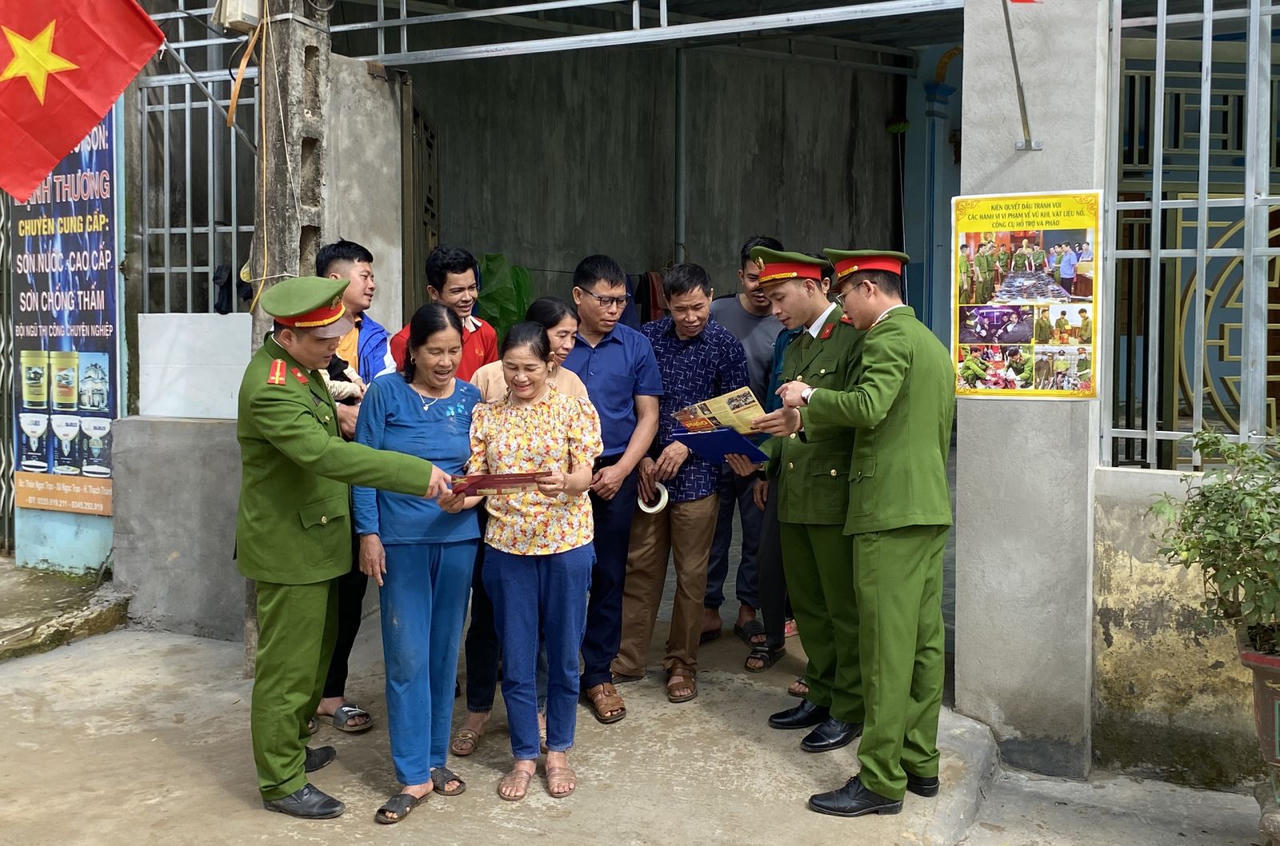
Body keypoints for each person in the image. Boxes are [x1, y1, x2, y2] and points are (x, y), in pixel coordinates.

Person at [236, 276, 450, 820]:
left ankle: (292, 750)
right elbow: (325, 456)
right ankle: (280, 780)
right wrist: (412, 472)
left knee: (314, 663)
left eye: (338, 335)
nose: (335, 348)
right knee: (287, 670)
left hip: (319, 537)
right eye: (324, 341)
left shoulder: (301, 370)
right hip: (290, 549)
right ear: (287, 336)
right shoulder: (272, 387)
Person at [773, 249, 954, 819]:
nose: (843, 304)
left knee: (885, 652)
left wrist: (810, 398)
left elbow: (870, 406)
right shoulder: (929, 342)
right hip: (926, 508)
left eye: (847, 292)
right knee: (924, 645)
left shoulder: (884, 337)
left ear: (870, 289)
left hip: (887, 512)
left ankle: (880, 778)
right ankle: (920, 761)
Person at [442, 322, 603, 801]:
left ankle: (559, 751)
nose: (520, 377)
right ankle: (524, 755)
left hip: (566, 542)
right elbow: (478, 479)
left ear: (550, 364)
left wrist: (568, 483)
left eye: (530, 367)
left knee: (562, 653)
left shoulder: (573, 407)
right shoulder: (486, 416)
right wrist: (459, 499)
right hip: (507, 548)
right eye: (511, 368)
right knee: (515, 657)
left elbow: (586, 473)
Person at [351, 304, 482, 824]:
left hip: (458, 539)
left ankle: (435, 761)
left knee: (444, 654)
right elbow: (363, 468)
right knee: (407, 657)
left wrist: (468, 499)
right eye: (435, 351)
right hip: (400, 541)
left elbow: (481, 467)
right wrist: (369, 533)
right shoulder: (386, 392)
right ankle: (411, 775)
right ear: (413, 351)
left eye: (454, 351)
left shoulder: (472, 398)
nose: (446, 361)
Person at [735, 247, 865, 756]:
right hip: (795, 487)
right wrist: (761, 458)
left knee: (840, 608)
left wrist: (802, 419)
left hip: (833, 494)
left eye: (781, 297)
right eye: (766, 299)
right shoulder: (794, 345)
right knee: (809, 607)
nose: (774, 310)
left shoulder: (853, 338)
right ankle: (822, 690)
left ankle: (849, 706)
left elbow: (859, 414)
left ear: (813, 287)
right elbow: (785, 420)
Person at [611, 263, 748, 704]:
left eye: (699, 306)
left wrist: (688, 446)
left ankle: (681, 664)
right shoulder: (646, 340)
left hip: (700, 479)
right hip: (647, 478)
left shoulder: (726, 346)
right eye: (681, 309)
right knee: (641, 569)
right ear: (665, 304)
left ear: (710, 296)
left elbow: (736, 413)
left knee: (692, 576)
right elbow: (632, 406)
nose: (691, 317)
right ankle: (627, 659)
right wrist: (644, 457)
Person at [563, 254, 663, 724]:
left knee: (608, 575)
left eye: (621, 300)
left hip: (613, 475)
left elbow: (648, 416)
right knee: (559, 576)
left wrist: (622, 469)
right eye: (605, 300)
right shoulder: (554, 343)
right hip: (557, 479)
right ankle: (553, 674)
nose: (615, 308)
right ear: (578, 296)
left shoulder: (636, 346)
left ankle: (598, 674)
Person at [311, 238, 397, 737]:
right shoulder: (296, 333)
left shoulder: (375, 338)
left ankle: (330, 695)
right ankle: (302, 699)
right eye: (362, 274)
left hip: (355, 483)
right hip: (310, 487)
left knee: (347, 594)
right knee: (307, 601)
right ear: (333, 281)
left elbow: (375, 408)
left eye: (370, 274)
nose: (371, 283)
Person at [704, 235, 784, 649]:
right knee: (713, 533)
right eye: (753, 277)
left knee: (755, 534)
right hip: (717, 444)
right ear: (740, 275)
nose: (760, 285)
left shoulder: (786, 322)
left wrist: (767, 458)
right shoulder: (714, 314)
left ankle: (749, 610)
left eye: (768, 277)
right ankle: (709, 609)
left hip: (759, 449)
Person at [390, 245, 498, 381]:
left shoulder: (486, 333)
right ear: (433, 292)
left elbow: (490, 387)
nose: (468, 297)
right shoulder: (404, 340)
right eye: (457, 291)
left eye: (472, 288)